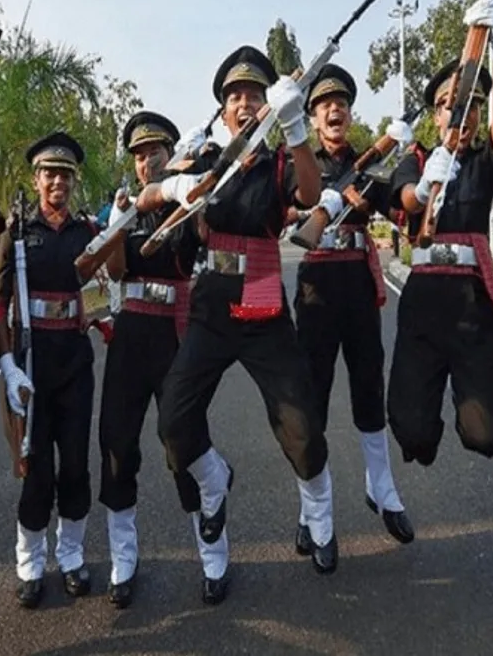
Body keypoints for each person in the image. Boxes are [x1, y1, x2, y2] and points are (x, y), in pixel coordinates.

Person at [140, 44, 333, 606]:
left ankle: (318, 511)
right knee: (174, 422)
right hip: (213, 302)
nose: (244, 103)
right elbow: (148, 197)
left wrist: (295, 128)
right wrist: (173, 185)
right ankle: (213, 482)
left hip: (265, 300)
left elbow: (310, 194)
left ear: (267, 105)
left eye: (253, 95)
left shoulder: (278, 162)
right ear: (223, 111)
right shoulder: (207, 160)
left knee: (302, 426)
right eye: (234, 97)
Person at [387, 0, 493, 468]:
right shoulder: (416, 160)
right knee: (411, 430)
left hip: (471, 298)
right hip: (424, 296)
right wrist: (426, 184)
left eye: (471, 105)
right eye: (449, 105)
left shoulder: (484, 162)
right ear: (435, 115)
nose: (460, 113)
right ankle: (422, 432)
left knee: (489, 433)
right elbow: (405, 199)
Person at [288, 64, 414, 548]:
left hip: (357, 283)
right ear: (313, 119)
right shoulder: (303, 162)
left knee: (368, 382)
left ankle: (381, 485)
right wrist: (316, 206)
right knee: (312, 395)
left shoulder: (370, 163)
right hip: (316, 286)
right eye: (324, 105)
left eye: (340, 103)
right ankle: (310, 506)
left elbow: (399, 209)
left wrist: (369, 202)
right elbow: (283, 209)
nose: (334, 110)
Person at [96, 111, 205, 608]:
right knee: (117, 441)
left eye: (154, 153)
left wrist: (187, 186)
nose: (147, 163)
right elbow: (118, 272)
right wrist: (117, 227)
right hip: (132, 332)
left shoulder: (187, 200)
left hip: (176, 332)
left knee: (183, 441)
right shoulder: (129, 209)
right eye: (139, 157)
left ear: (170, 154)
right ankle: (123, 555)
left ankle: (211, 546)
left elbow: (191, 251)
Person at [0, 132, 99, 609]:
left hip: (73, 359)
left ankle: (71, 554)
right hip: (31, 361)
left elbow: (110, 275)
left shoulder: (86, 231)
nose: (58, 181)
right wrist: (7, 364)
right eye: (49, 173)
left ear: (73, 181)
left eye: (65, 174)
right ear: (36, 179)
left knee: (74, 464)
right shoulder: (17, 232)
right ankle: (30, 562)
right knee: (34, 467)